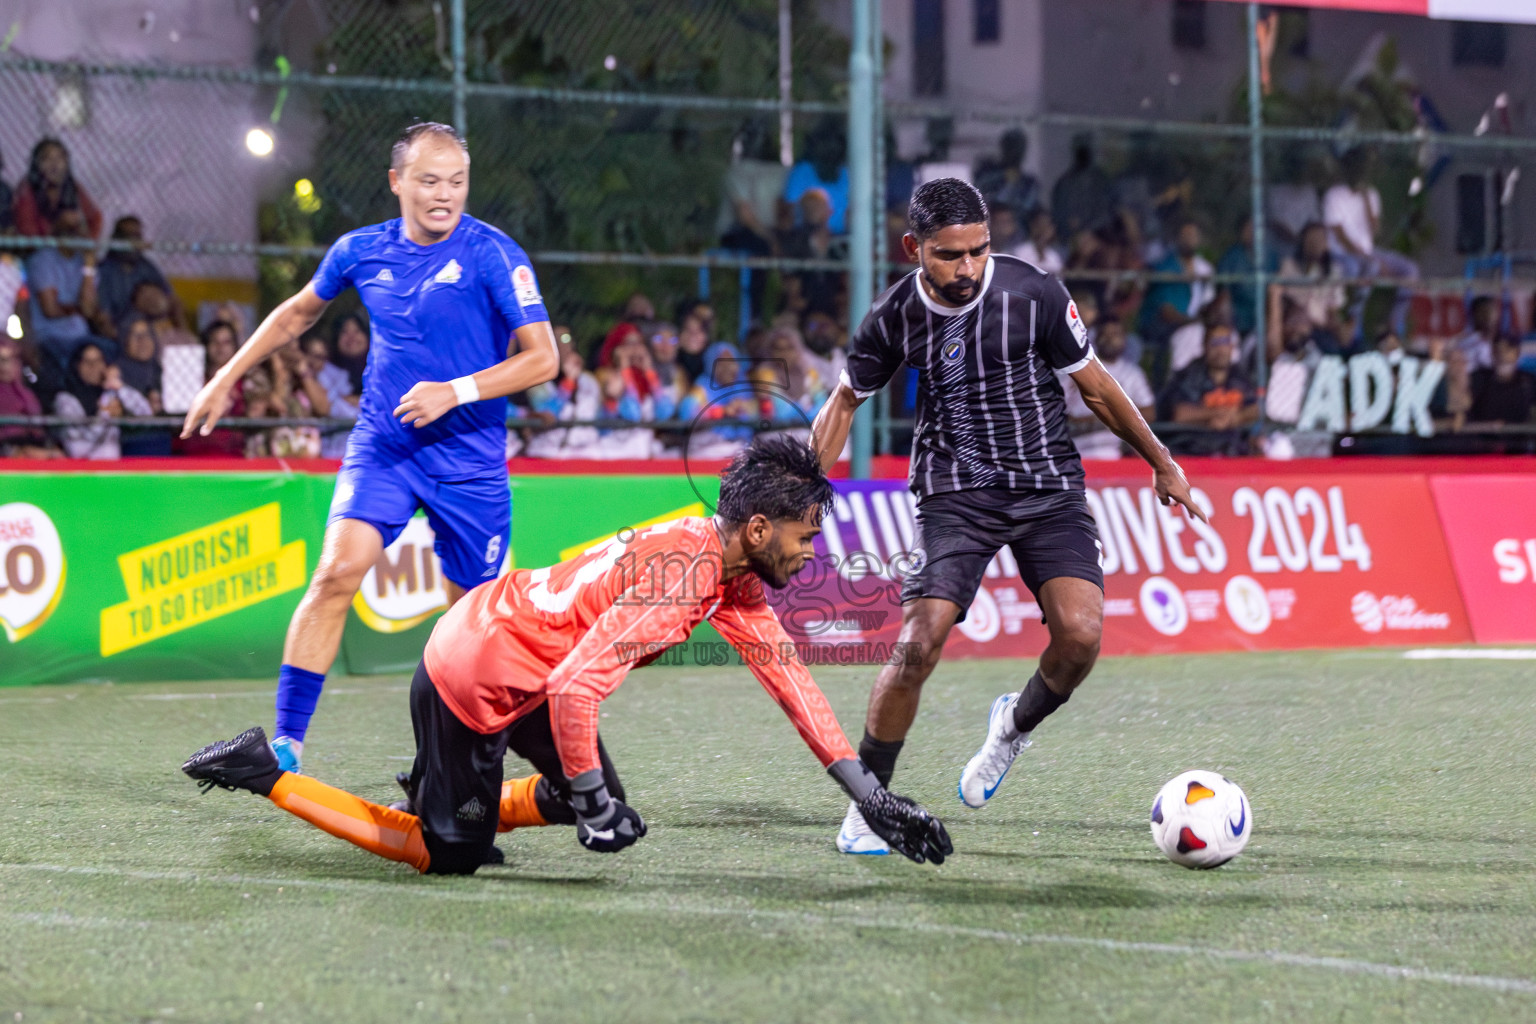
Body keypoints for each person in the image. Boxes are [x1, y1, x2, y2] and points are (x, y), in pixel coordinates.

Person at [180, 439, 953, 873]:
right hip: (475, 676)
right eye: (805, 534)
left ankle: (442, 789)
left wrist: (870, 797)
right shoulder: (685, 581)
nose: (811, 551)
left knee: (593, 791)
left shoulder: (727, 571)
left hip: (511, 649)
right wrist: (590, 810)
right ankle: (268, 772)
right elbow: (576, 689)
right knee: (448, 857)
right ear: (757, 529)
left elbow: (792, 683)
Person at [809, 178, 1205, 854]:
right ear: (915, 249)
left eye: (979, 251)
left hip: (1047, 481)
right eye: (949, 255)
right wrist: (806, 493)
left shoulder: (1034, 292)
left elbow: (1098, 388)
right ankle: (870, 807)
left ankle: (1010, 730)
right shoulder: (892, 317)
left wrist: (1161, 459)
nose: (967, 269)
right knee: (918, 641)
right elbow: (846, 402)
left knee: (1081, 638)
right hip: (955, 487)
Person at [180, 122, 559, 773]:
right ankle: (286, 745)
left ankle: (469, 765)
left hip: (469, 464)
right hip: (385, 449)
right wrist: (224, 376)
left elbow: (543, 360)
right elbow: (297, 313)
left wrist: (456, 390)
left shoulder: (495, 255)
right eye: (430, 180)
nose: (445, 195)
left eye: (457, 182)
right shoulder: (360, 250)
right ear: (398, 182)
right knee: (333, 576)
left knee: (469, 627)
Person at [1059, 319, 1154, 459]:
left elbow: (1149, 412)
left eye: (1115, 334)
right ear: (1095, 338)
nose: (1109, 339)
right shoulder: (1078, 369)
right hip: (1074, 449)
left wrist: (1102, 419)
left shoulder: (1133, 373)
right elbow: (1055, 410)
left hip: (1115, 451)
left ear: (1125, 339)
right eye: (1104, 334)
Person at [1160, 325, 1258, 456]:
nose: (1220, 350)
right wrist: (1216, 414)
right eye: (1215, 343)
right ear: (1204, 347)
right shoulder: (1190, 374)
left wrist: (1236, 417)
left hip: (1232, 448)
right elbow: (1181, 414)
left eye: (1225, 342)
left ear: (1232, 347)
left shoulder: (1240, 376)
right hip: (1192, 448)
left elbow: (1256, 409)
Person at [25, 208, 101, 369]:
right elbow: (51, 310)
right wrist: (79, 309)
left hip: (81, 337)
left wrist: (88, 266)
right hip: (50, 337)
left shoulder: (85, 262)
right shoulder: (43, 259)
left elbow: (88, 309)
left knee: (109, 352)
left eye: (78, 227)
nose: (75, 233)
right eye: (69, 228)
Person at [53, 342, 153, 460]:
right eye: (87, 362)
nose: (93, 366)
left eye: (98, 361)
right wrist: (105, 415)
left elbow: (146, 414)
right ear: (77, 365)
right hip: (80, 473)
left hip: (112, 472)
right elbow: (78, 450)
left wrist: (118, 385)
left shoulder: (109, 393)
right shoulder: (65, 399)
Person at [94, 216, 182, 338]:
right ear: (116, 240)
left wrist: (184, 335)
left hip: (149, 333)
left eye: (137, 237)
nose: (133, 242)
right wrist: (125, 341)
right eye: (127, 237)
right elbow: (103, 319)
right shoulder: (105, 270)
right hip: (119, 333)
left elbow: (173, 301)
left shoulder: (146, 266)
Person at [1139, 218, 1214, 359]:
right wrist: (1194, 322)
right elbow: (1166, 312)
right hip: (1163, 327)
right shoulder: (1166, 267)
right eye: (1185, 235)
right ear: (1177, 238)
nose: (1189, 240)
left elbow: (1208, 304)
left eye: (1193, 235)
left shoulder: (1205, 268)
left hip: (1195, 324)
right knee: (1193, 333)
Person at [1272, 221, 1352, 352]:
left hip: (1320, 328)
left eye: (1321, 239)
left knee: (1338, 347)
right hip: (1294, 328)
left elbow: (1334, 309)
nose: (1316, 243)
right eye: (1312, 239)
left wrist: (1337, 327)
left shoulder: (1334, 271)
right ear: (1303, 242)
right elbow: (1279, 298)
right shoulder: (1288, 266)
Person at [11, 138, 103, 240]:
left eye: (60, 158)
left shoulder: (73, 187)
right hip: (36, 252)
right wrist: (57, 227)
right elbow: (27, 233)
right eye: (47, 159)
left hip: (70, 250)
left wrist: (87, 240)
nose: (54, 164)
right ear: (37, 164)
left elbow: (95, 217)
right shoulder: (27, 189)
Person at [782, 117, 850, 235]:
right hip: (805, 236)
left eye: (835, 145)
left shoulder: (844, 173)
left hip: (840, 238)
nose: (831, 149)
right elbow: (790, 210)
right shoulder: (802, 171)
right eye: (827, 144)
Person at [0, 338, 57, 458]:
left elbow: (39, 433)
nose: (6, 366)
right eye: (1, 360)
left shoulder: (28, 395)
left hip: (32, 449)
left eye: (12, 359)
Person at [972, 128, 1041, 227]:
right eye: (1011, 147)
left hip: (1019, 235)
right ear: (1003, 148)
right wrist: (1003, 177)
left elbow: (1027, 210)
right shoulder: (987, 175)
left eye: (1019, 148)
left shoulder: (1030, 183)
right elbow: (979, 197)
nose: (1015, 152)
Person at [1050, 134, 1113, 240]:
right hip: (1068, 239)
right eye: (1080, 150)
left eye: (1086, 150)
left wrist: (1088, 229)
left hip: (1096, 239)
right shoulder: (1065, 182)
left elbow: (1106, 213)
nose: (1083, 154)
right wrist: (1069, 223)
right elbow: (1058, 211)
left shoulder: (1100, 181)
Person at [1468, 335, 1535, 426]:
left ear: (1517, 353)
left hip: (1519, 437)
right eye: (1497, 350)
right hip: (1483, 437)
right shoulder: (1478, 378)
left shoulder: (1529, 381)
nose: (1502, 355)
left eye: (1507, 350)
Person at [1013, 208, 1064, 275]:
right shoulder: (1019, 253)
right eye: (1039, 224)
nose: (1043, 229)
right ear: (1031, 226)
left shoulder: (1054, 256)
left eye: (1046, 225)